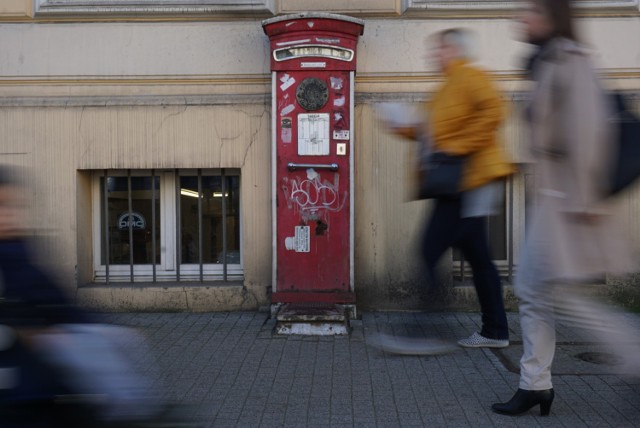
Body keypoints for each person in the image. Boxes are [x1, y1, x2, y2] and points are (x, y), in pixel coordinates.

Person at [492, 0, 638, 416]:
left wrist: (586, 200)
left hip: (571, 199)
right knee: (538, 290)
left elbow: (589, 131)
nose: (522, 17)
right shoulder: (546, 61)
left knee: (555, 293)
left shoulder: (570, 60)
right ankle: (536, 384)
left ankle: (631, 357)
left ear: (553, 17)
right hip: (554, 197)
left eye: (532, 10)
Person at [390, 28, 516, 348]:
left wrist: (458, 147)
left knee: (429, 250)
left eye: (441, 49)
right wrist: (400, 126)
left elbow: (495, 112)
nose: (435, 55)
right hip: (459, 183)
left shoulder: (471, 77)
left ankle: (427, 334)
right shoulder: (445, 87)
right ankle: (495, 331)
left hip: (466, 182)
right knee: (480, 259)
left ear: (457, 50)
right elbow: (430, 134)